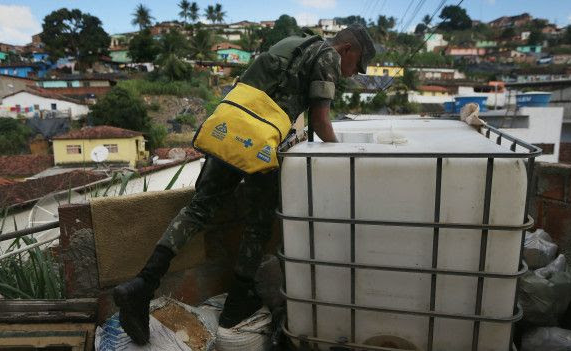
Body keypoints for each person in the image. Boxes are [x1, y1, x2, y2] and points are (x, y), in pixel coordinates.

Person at [112, 24, 376, 345]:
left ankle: (142, 284)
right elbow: (320, 121)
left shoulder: (292, 41)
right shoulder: (328, 58)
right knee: (259, 223)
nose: (353, 73)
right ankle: (237, 302)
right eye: (357, 64)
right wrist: (343, 159)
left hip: (228, 125)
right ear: (347, 49)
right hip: (258, 142)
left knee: (198, 209)